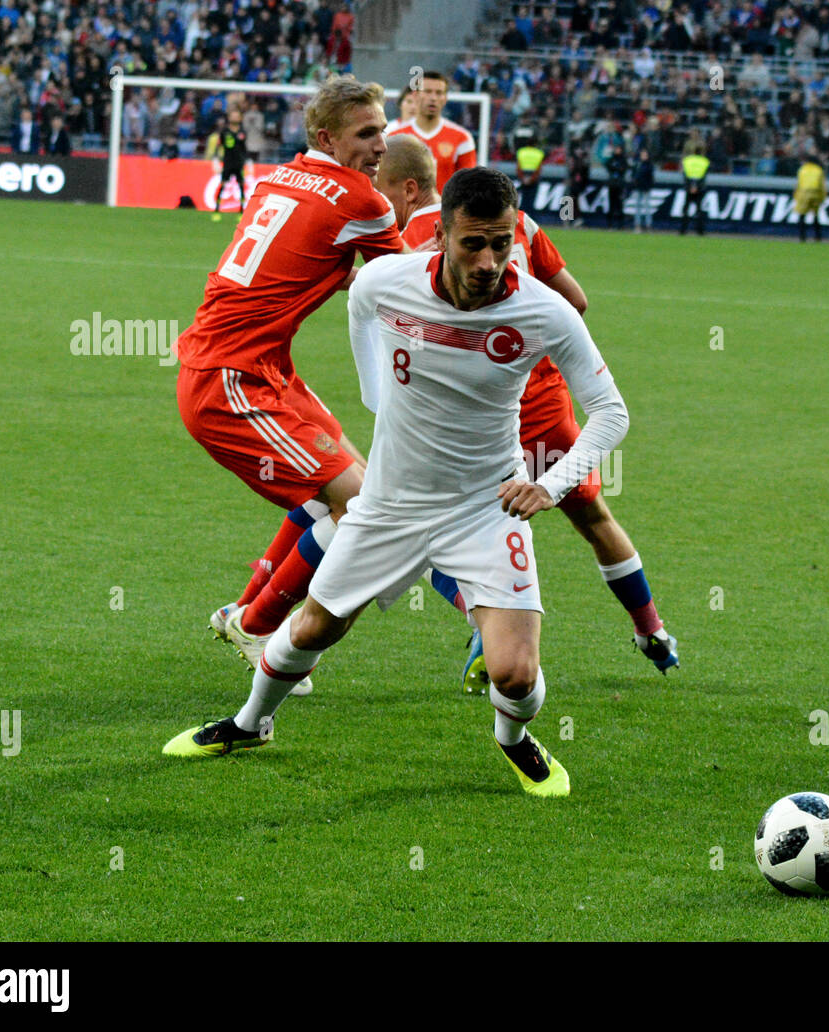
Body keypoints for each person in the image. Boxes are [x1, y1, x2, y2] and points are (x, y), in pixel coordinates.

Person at [164, 169, 632, 801]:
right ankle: (251, 724)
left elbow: (611, 411)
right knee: (310, 632)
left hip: (483, 508)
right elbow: (359, 310)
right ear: (440, 236)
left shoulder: (542, 312)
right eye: (474, 243)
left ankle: (514, 739)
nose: (490, 260)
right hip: (387, 503)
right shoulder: (391, 281)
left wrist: (553, 484)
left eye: (501, 243)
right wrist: (375, 395)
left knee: (516, 675)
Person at [376, 137, 679, 688]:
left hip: (468, 427)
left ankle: (478, 617)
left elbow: (386, 309)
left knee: (422, 529)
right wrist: (531, 334)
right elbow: (575, 302)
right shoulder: (526, 228)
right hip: (544, 405)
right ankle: (651, 630)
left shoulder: (414, 245)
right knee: (593, 519)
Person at [176, 77, 407, 696]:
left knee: (359, 493)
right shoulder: (362, 200)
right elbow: (413, 289)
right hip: (233, 382)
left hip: (258, 368)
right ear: (328, 137)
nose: (381, 144)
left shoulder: (279, 176)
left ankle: (244, 614)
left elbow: (296, 267)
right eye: (367, 133)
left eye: (383, 129)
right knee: (362, 507)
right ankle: (259, 627)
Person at [387, 70, 476, 191]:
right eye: (428, 92)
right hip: (407, 210)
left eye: (439, 93)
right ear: (415, 95)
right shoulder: (395, 137)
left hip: (445, 209)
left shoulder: (462, 138)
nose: (433, 98)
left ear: (445, 99)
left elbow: (469, 186)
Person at [206, 109, 249, 221]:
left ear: (240, 118)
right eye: (233, 115)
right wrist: (216, 160)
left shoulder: (243, 132)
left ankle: (241, 211)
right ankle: (216, 210)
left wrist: (247, 162)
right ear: (229, 118)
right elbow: (218, 146)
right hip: (227, 163)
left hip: (239, 163)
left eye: (237, 116)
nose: (235, 118)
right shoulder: (224, 131)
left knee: (241, 186)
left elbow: (244, 149)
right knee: (223, 185)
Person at [794, 154, 826, 241]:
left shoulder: (802, 169)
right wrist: (823, 197)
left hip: (804, 193)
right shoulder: (818, 170)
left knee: (802, 215)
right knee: (816, 216)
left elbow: (799, 184)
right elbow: (822, 186)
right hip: (815, 193)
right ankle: (818, 237)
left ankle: (802, 236)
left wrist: (796, 196)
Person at [680, 143, 710, 235]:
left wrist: (691, 186)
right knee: (699, 210)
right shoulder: (705, 161)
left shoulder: (687, 160)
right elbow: (703, 176)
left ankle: (683, 230)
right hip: (700, 188)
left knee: (686, 209)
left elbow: (685, 175)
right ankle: (700, 231)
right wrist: (696, 186)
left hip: (689, 187)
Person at [631, 147, 655, 232]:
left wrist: (648, 185)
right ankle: (637, 225)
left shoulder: (649, 165)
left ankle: (648, 225)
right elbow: (633, 174)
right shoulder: (638, 164)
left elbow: (650, 177)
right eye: (642, 155)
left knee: (647, 206)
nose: (643, 156)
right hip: (638, 187)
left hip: (646, 188)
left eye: (645, 155)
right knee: (638, 206)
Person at [605, 143, 629, 229]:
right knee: (611, 204)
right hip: (612, 185)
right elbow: (608, 165)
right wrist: (617, 168)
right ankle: (610, 224)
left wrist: (616, 168)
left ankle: (621, 224)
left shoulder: (623, 159)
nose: (617, 151)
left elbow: (624, 168)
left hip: (619, 185)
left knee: (619, 205)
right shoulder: (612, 159)